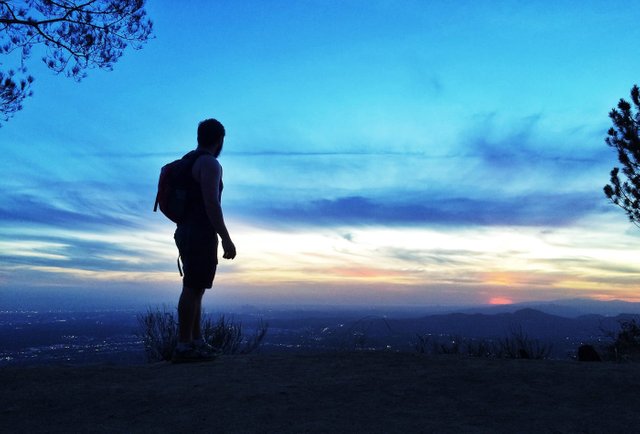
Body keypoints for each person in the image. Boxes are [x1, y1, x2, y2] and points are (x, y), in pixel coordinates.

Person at [172, 118, 236, 363]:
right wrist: (226, 238)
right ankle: (184, 345)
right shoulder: (209, 163)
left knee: (197, 286)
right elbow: (212, 203)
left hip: (185, 230)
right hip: (199, 231)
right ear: (219, 140)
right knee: (192, 287)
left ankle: (195, 341)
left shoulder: (188, 160)